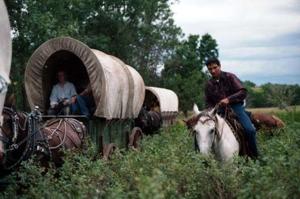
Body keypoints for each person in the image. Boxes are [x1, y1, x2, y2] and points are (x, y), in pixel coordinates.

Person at [204, 57, 258, 158]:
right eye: (210, 69)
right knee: (202, 130)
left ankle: (255, 157)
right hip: (218, 110)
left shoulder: (230, 77)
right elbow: (208, 102)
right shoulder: (209, 84)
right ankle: (203, 159)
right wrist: (209, 111)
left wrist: (229, 99)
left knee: (249, 130)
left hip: (235, 107)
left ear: (219, 66)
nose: (213, 71)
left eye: (215, 67)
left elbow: (243, 92)